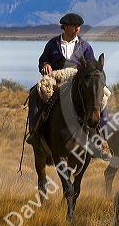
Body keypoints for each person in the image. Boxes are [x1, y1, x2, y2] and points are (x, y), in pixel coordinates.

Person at [27, 12, 112, 161]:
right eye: (75, 26)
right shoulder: (53, 44)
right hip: (56, 79)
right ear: (65, 27)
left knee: (103, 96)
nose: (78, 29)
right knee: (35, 92)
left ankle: (102, 140)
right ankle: (35, 133)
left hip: (78, 80)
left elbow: (92, 65)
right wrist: (45, 65)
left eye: (79, 26)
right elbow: (43, 60)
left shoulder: (85, 46)